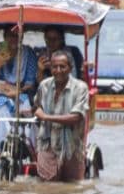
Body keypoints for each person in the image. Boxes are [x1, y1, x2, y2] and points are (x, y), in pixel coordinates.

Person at [34, 50, 88, 182]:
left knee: (72, 188)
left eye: (62, 66)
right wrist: (38, 111)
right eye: (54, 67)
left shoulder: (80, 88)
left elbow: (76, 117)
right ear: (50, 68)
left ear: (70, 68)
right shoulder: (44, 85)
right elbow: (37, 105)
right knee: (47, 189)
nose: (58, 70)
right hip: (47, 144)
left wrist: (46, 117)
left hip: (72, 147)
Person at [0, 26, 38, 146]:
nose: (13, 39)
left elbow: (30, 83)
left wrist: (16, 92)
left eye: (17, 36)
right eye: (10, 36)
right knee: (1, 107)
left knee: (26, 107)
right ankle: (1, 143)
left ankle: (26, 143)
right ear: (5, 37)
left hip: (22, 94)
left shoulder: (28, 54)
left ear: (21, 37)